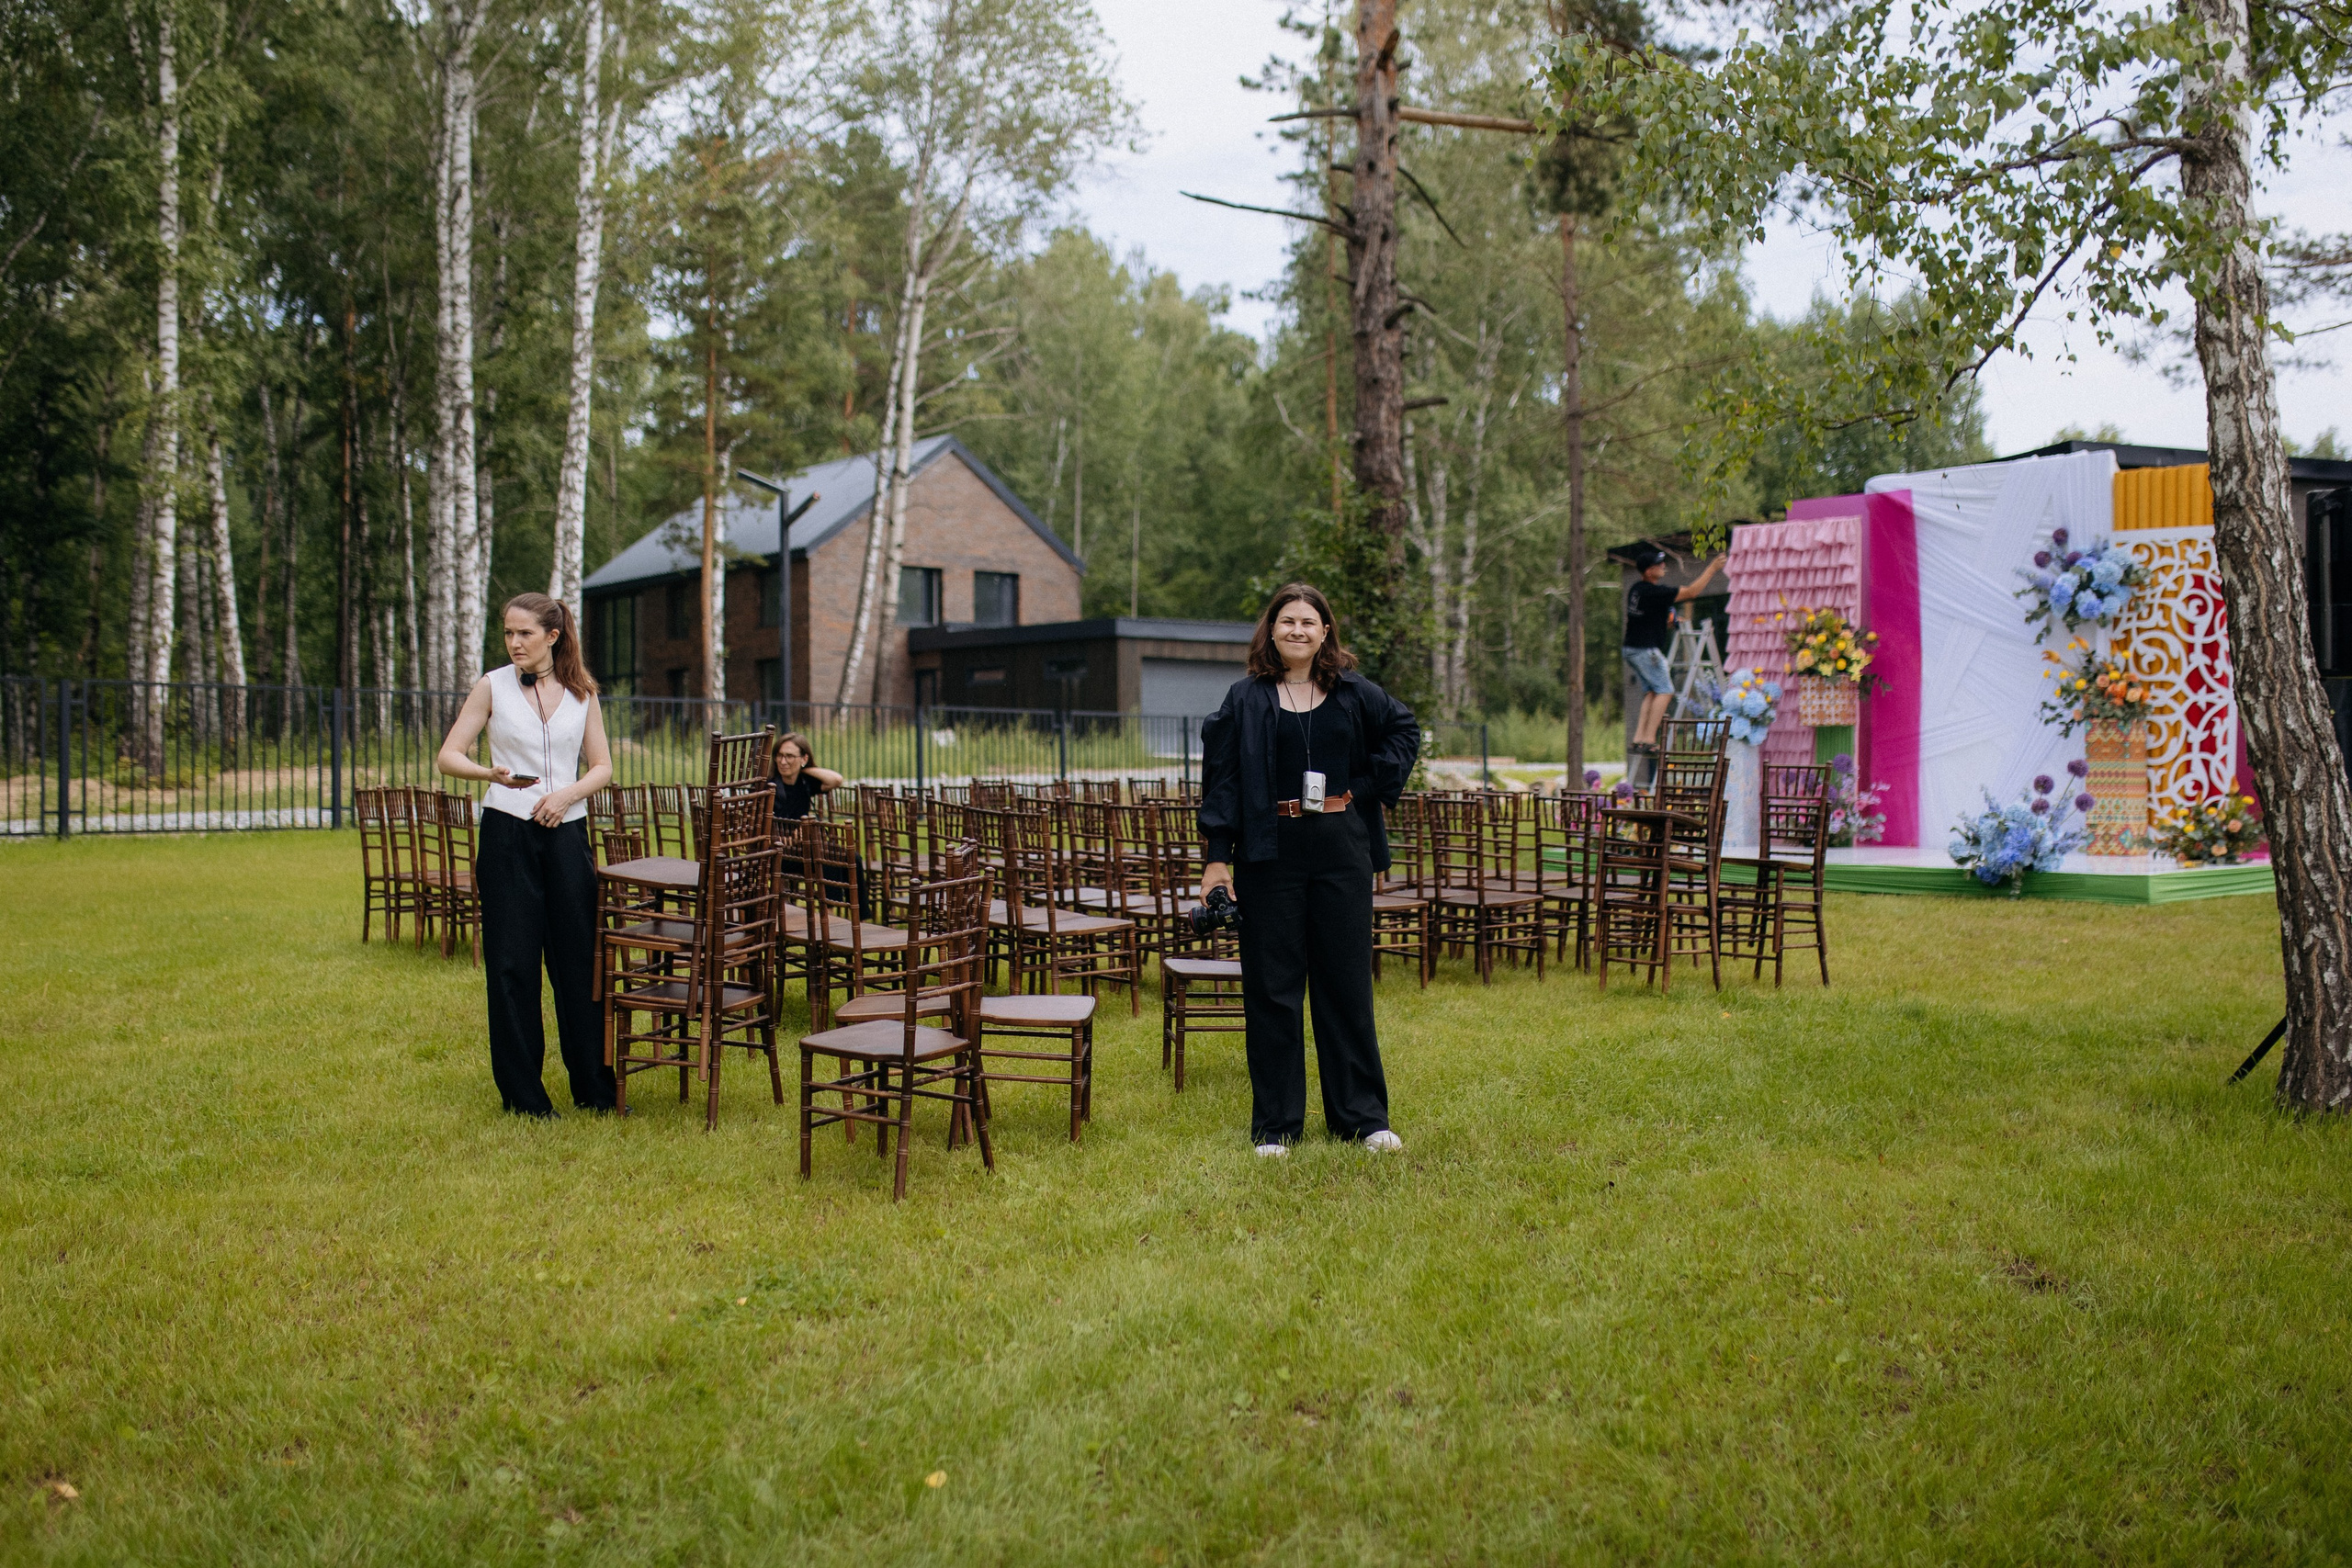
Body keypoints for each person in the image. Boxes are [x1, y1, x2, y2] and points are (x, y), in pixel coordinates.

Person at [1197, 582, 1420, 1157]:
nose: (1298, 630)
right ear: (1271, 631)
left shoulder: (1352, 693)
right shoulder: (1244, 699)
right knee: (1273, 988)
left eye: (1309, 622)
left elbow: (1404, 729)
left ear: (1326, 633)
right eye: (1287, 621)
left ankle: (1363, 1119)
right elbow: (1221, 780)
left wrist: (1365, 788)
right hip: (1269, 854)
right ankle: (1276, 1127)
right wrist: (1216, 859)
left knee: (1345, 985)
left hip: (1342, 850)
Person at [435, 592, 616, 1118]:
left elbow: (601, 766)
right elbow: (449, 755)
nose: (514, 643)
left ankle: (595, 1091)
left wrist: (566, 795)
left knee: (579, 965)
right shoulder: (492, 685)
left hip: (567, 835)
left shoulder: (583, 694)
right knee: (513, 966)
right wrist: (487, 773)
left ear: (552, 637)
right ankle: (525, 1099)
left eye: (525, 634)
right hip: (507, 835)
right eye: (509, 633)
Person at [1623, 546, 1725, 761]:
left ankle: (1639, 738)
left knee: (1651, 692)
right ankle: (1650, 740)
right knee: (1666, 691)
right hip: (1646, 650)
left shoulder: (1637, 590)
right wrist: (1713, 568)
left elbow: (1651, 615)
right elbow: (1692, 592)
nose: (1663, 567)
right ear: (1648, 571)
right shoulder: (1654, 592)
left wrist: (1672, 620)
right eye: (1658, 564)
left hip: (1632, 649)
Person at [767, 731, 843, 820]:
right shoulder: (768, 785)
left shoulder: (805, 781)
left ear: (804, 759)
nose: (783, 762)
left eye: (790, 756)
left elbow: (836, 780)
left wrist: (803, 768)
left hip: (802, 832)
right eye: (780, 755)